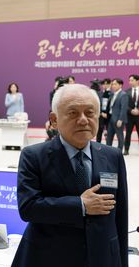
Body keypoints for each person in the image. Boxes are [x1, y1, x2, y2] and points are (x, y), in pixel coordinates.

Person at [12, 83, 128, 267]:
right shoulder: (34, 156)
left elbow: (120, 217)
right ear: (54, 119)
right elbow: (28, 207)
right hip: (50, 257)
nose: (83, 120)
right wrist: (80, 205)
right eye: (73, 113)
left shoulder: (112, 156)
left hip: (103, 257)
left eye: (90, 113)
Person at [105, 78, 128, 151]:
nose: (113, 86)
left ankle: (119, 152)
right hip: (111, 118)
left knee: (120, 136)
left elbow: (123, 108)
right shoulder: (112, 94)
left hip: (118, 119)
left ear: (120, 85)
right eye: (112, 84)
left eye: (115, 84)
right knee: (109, 136)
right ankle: (108, 151)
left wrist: (120, 119)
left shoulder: (123, 95)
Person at [124, 74, 139, 155]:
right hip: (129, 116)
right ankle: (126, 150)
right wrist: (130, 110)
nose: (130, 82)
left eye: (132, 80)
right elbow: (124, 105)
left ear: (137, 81)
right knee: (128, 134)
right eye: (129, 80)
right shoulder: (127, 92)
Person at [96, 78, 112, 143]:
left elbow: (113, 106)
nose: (105, 85)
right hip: (100, 115)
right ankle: (97, 145)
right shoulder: (98, 93)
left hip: (109, 115)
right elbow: (96, 104)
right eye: (103, 84)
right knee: (99, 131)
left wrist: (107, 114)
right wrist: (100, 113)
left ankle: (108, 146)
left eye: (107, 84)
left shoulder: (112, 94)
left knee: (109, 132)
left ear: (110, 84)